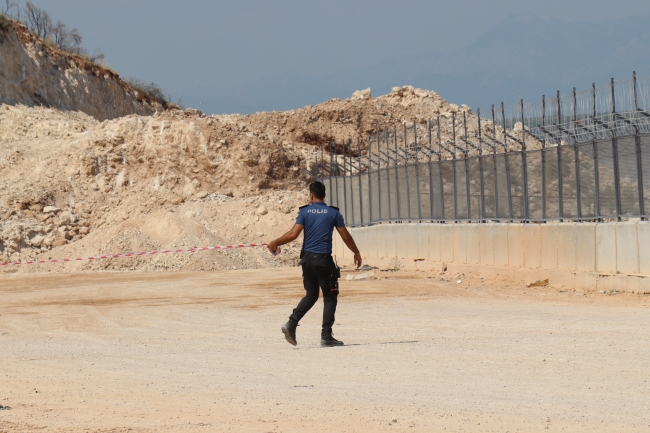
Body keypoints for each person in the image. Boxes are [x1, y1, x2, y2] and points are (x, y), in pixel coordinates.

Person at [267, 181, 362, 347]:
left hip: (307, 261)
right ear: (324, 195)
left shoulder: (305, 212)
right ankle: (326, 336)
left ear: (311, 195)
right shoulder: (333, 213)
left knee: (311, 295)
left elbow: (292, 234)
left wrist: (275, 242)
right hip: (323, 261)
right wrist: (356, 252)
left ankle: (291, 323)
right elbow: (345, 236)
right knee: (330, 295)